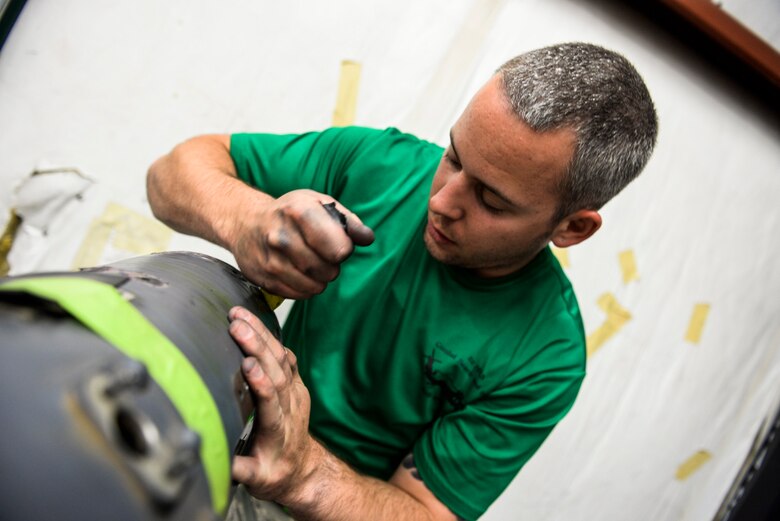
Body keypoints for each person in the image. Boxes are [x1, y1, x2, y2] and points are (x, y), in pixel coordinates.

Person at [147, 42, 657, 521]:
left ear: (572, 228)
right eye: (454, 156)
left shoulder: (545, 356)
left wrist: (302, 474)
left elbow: (427, 511)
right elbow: (170, 173)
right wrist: (247, 219)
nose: (441, 201)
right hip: (222, 428)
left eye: (492, 201)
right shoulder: (380, 165)